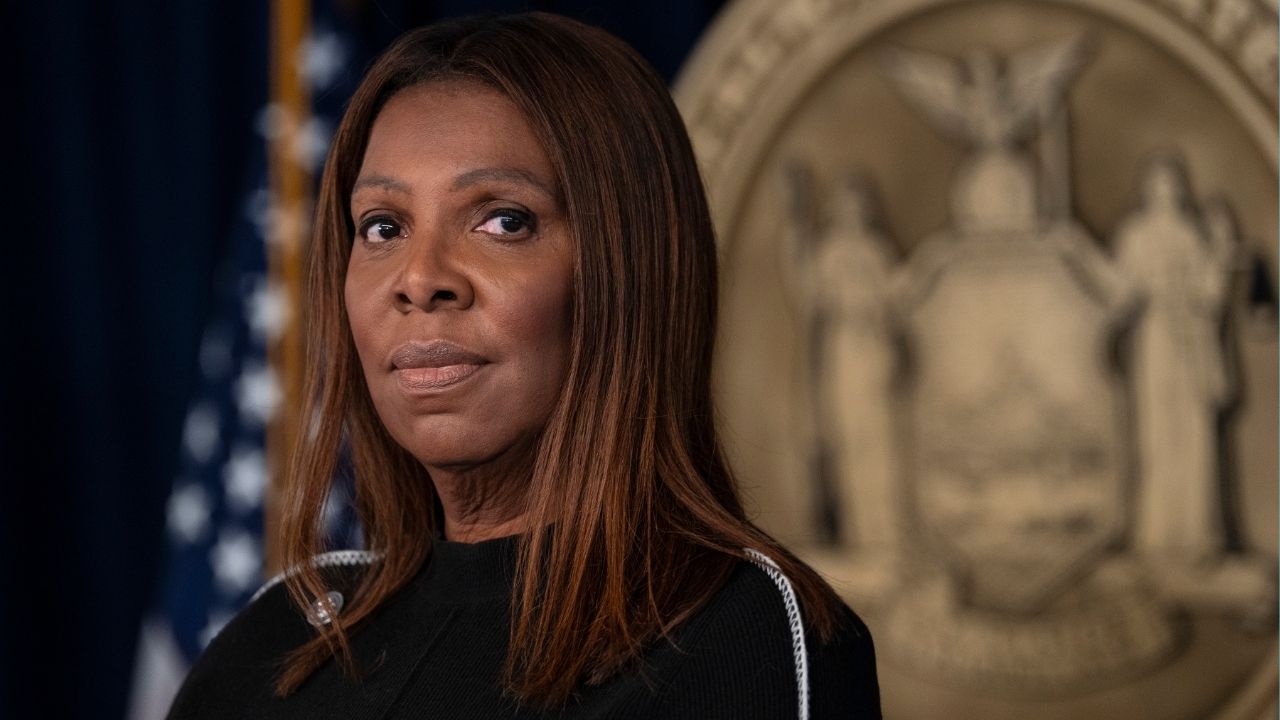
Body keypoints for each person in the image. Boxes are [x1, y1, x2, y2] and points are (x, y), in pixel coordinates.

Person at [167, 13, 880, 719]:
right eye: (382, 227)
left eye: (503, 220)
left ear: (625, 270)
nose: (419, 279)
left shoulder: (738, 639)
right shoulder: (277, 644)